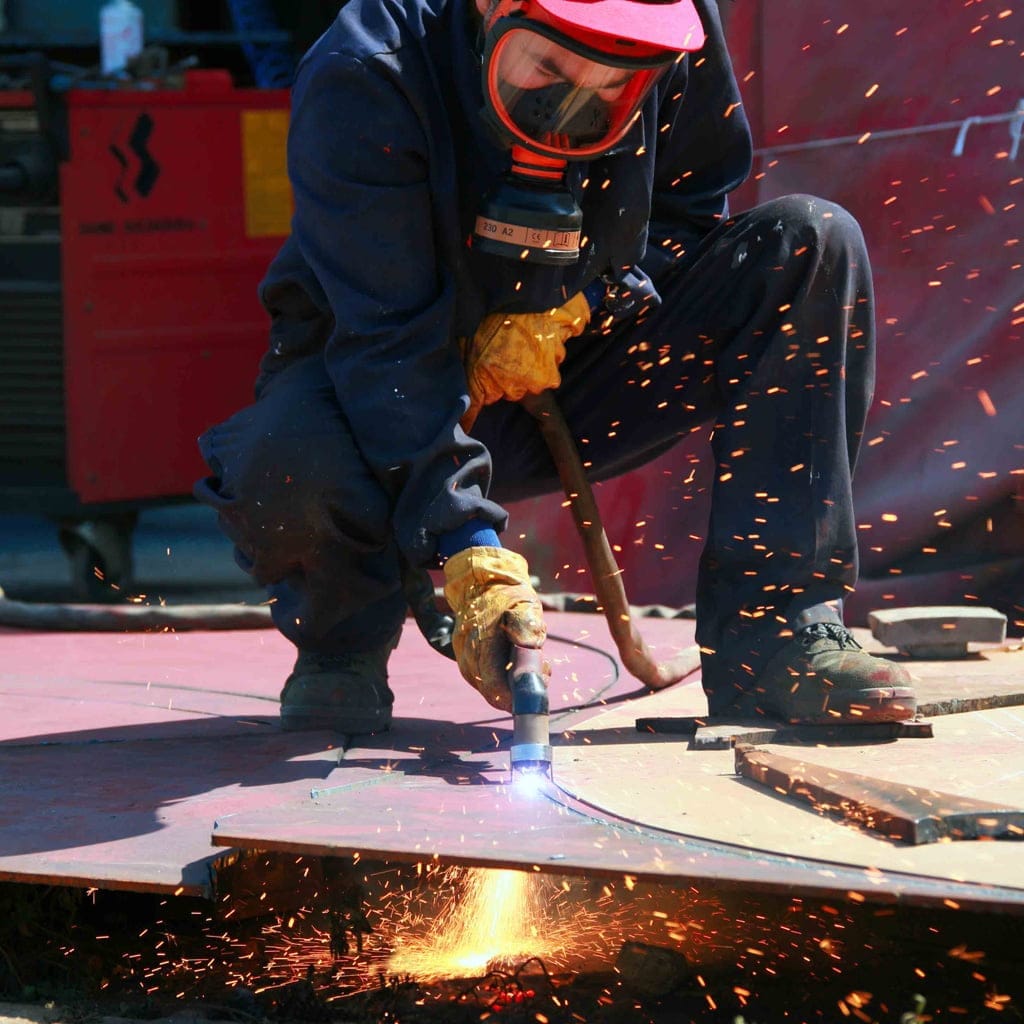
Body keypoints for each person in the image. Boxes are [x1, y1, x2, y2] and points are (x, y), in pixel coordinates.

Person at [195, 0, 916, 734]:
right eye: (546, 68)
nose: (572, 105)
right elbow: (385, 343)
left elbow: (687, 209)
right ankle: (341, 644)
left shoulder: (669, 24)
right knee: (285, 460)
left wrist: (590, 301)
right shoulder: (367, 73)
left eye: (610, 88)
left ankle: (776, 638)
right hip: (384, 389)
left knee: (810, 245)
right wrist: (469, 546)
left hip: (574, 373)